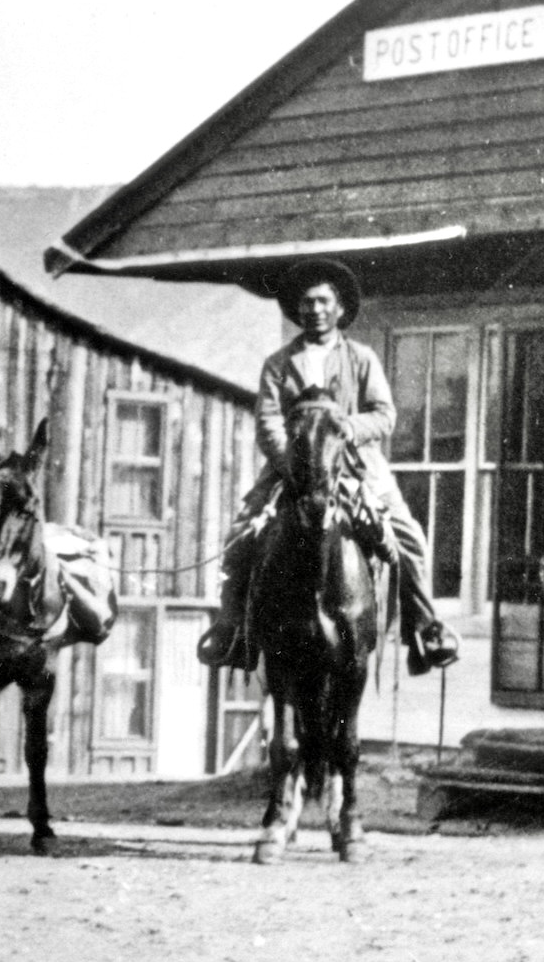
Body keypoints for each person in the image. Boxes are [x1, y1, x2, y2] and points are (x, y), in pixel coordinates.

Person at [197, 258, 460, 674]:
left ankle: (423, 630)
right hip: (292, 471)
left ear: (339, 308)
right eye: (306, 303)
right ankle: (234, 631)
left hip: (357, 468)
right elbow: (268, 423)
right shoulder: (279, 364)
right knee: (240, 535)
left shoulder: (361, 358)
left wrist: (341, 431)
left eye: (323, 301)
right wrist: (298, 463)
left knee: (410, 540)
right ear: (296, 310)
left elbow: (384, 414)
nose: (314, 309)